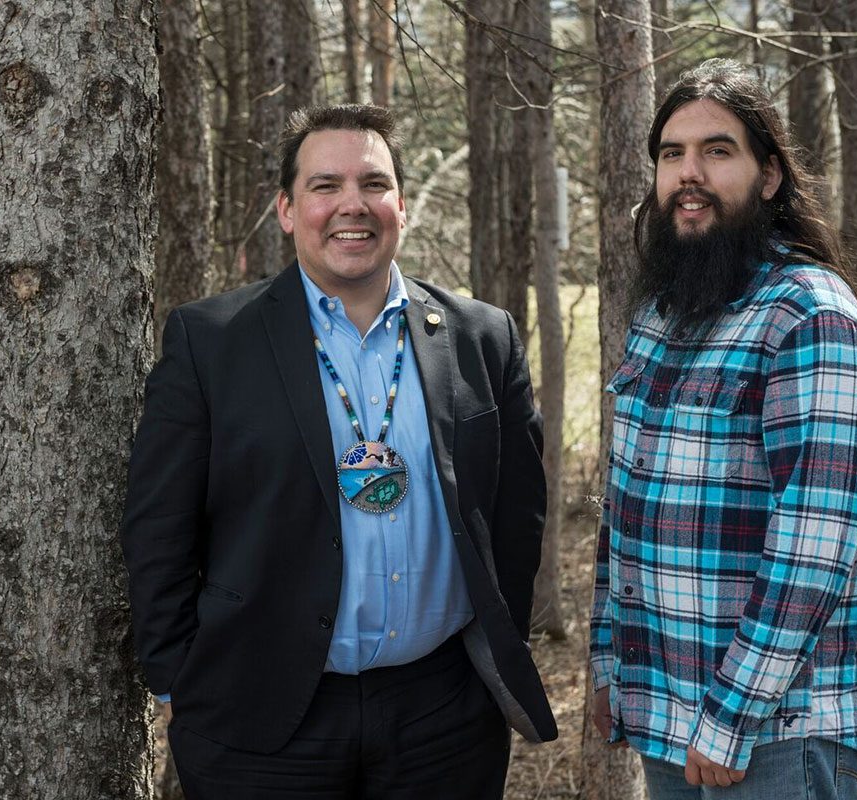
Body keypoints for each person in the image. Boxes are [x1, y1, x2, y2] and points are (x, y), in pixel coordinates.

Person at [122, 103, 557, 799]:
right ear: (288, 210)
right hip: (263, 718)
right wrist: (182, 677)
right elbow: (158, 530)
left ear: (402, 207)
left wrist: (492, 659)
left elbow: (516, 517)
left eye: (373, 184)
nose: (351, 204)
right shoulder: (211, 342)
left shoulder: (482, 336)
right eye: (325, 186)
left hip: (444, 715)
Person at [589, 59, 857, 799]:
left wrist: (730, 717)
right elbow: (625, 509)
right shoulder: (665, 314)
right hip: (670, 718)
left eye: (717, 151)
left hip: (775, 737)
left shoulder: (808, 315)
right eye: (671, 154)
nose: (688, 173)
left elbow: (815, 544)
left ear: (769, 177)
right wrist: (609, 666)